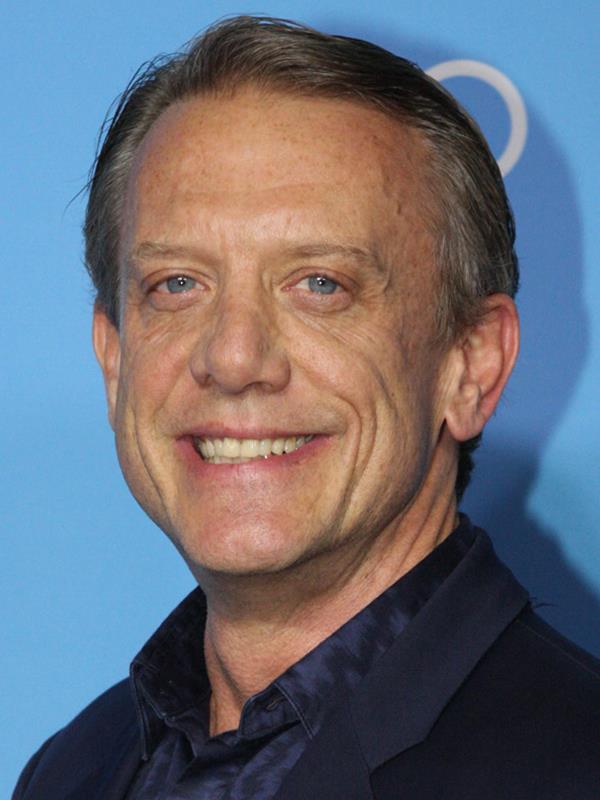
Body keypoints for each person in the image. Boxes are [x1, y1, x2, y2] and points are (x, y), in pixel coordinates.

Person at [13, 15, 600, 800]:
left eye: (320, 284)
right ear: (114, 358)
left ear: (471, 364)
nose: (233, 358)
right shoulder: (71, 771)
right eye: (177, 284)